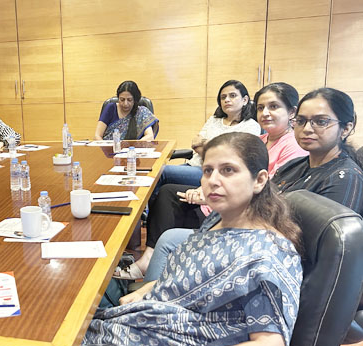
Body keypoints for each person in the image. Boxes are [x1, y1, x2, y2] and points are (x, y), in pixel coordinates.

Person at [0, 132, 303, 346]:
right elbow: (190, 278)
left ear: (259, 180)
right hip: (156, 339)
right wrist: (148, 288)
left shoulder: (267, 255)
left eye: (228, 170)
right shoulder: (221, 221)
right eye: (208, 170)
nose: (213, 181)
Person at [139, 87, 362, 282]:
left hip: (268, 259)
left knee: (171, 242)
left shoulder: (344, 177)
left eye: (321, 122)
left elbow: (324, 253)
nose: (307, 128)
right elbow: (262, 200)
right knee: (173, 238)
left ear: (346, 128)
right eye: (302, 121)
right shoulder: (297, 164)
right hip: (252, 237)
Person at [121, 82, 308, 280]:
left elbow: (268, 191)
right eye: (261, 108)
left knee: (168, 216)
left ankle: (155, 266)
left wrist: (209, 196)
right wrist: (202, 189)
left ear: (292, 112)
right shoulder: (261, 141)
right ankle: (152, 258)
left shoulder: (291, 147)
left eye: (274, 106)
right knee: (168, 193)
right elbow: (216, 161)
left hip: (240, 216)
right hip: (222, 207)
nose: (265, 113)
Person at [156, 80, 261, 189]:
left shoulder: (250, 126)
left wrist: (206, 145)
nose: (227, 100)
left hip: (213, 172)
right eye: (223, 97)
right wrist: (214, 149)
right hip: (193, 164)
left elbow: (233, 157)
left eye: (232, 95)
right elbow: (196, 143)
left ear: (245, 100)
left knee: (161, 173)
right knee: (155, 175)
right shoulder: (214, 120)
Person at [94, 81, 158, 141]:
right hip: (109, 147)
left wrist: (133, 146)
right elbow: (97, 135)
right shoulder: (110, 108)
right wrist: (104, 147)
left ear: (135, 100)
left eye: (129, 100)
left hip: (133, 148)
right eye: (122, 99)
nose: (125, 104)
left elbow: (150, 136)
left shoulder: (141, 112)